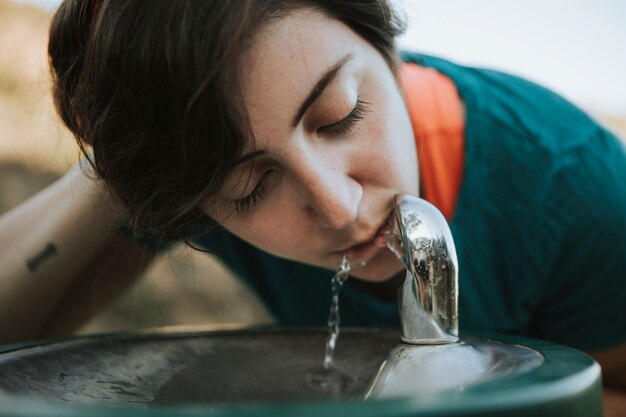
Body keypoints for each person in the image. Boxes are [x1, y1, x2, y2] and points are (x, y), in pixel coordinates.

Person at [0, 0, 625, 411]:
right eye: (252, 188)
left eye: (341, 115)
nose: (337, 205)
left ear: (386, 48)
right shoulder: (190, 182)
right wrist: (123, 164)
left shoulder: (574, 188)